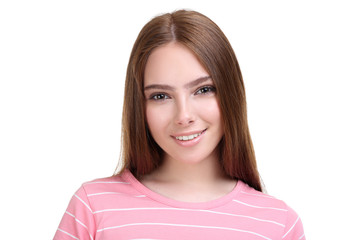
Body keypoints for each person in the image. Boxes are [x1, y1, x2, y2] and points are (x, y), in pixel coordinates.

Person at [54, 10, 305, 240]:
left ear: (231, 94)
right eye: (160, 96)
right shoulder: (92, 207)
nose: (183, 116)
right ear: (139, 107)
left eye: (204, 89)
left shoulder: (279, 223)